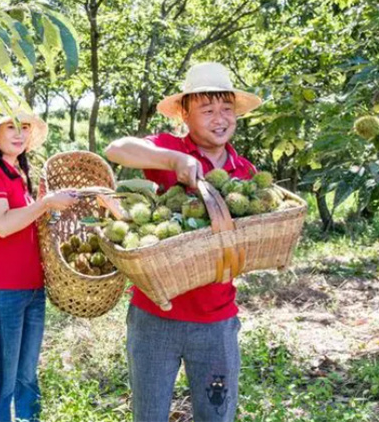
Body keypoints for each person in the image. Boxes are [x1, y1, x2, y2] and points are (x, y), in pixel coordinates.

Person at [104, 62, 263, 422]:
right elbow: (117, 148)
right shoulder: (168, 148)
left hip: (216, 320)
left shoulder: (245, 173)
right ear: (185, 115)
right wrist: (174, 159)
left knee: (216, 415)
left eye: (226, 109)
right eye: (207, 110)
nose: (219, 118)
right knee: (150, 415)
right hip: (155, 315)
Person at [0, 105, 78, 422]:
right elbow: (2, 225)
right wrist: (44, 203)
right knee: (1, 379)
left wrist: (52, 206)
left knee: (27, 375)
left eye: (25, 128)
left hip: (33, 289)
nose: (19, 134)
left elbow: (31, 225)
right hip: (3, 291)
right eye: (10, 128)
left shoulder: (19, 172)